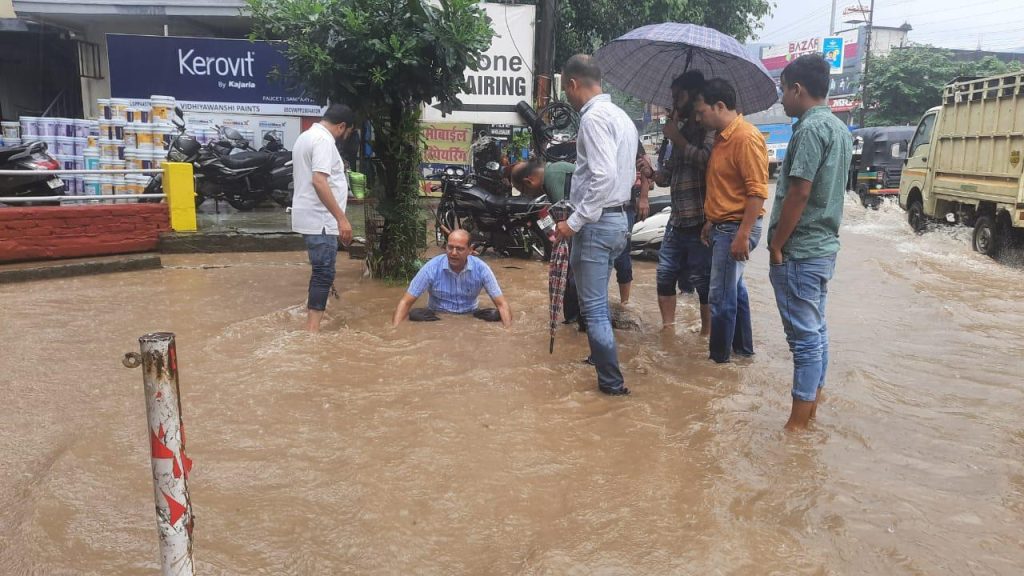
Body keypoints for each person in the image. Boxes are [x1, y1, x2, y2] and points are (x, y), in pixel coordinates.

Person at [768, 55, 853, 431]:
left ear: (797, 89)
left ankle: (797, 426)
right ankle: (811, 411)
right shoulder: (840, 129)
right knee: (816, 332)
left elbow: (799, 192)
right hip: (824, 248)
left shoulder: (807, 130)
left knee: (804, 340)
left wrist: (776, 245)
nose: (782, 99)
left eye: (783, 90)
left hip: (800, 251)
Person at [555, 54, 637, 396]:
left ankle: (612, 386)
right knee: (597, 301)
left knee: (594, 309)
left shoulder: (592, 119)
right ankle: (598, 360)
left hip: (597, 223)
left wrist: (573, 222)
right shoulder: (622, 117)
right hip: (619, 220)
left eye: (565, 91)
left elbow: (602, 176)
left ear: (573, 85)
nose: (567, 98)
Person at [695, 79, 769, 363]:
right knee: (735, 292)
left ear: (720, 106)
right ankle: (742, 351)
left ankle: (718, 363)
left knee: (719, 298)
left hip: (736, 227)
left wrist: (743, 234)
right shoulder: (722, 138)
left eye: (702, 112)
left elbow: (757, 191)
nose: (699, 119)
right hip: (724, 225)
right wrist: (711, 220)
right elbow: (728, 188)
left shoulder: (745, 138)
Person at [648, 71, 714, 335]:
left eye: (679, 96)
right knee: (664, 275)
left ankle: (705, 335)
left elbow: (707, 161)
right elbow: (668, 176)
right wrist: (651, 173)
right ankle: (668, 331)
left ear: (694, 94)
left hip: (701, 221)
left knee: (703, 284)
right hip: (676, 221)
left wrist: (678, 139)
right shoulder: (680, 129)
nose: (674, 102)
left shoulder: (708, 128)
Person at [291, 103, 356, 333]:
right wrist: (341, 218)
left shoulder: (306, 136)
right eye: (347, 133)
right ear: (341, 126)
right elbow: (319, 180)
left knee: (321, 270)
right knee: (323, 272)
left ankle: (316, 315)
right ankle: (313, 330)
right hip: (321, 219)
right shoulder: (324, 141)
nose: (344, 137)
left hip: (313, 217)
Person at [392, 229, 512, 328]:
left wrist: (508, 333)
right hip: (436, 315)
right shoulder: (431, 267)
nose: (453, 253)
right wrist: (395, 331)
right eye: (450, 247)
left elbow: (502, 304)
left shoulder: (481, 269)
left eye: (459, 249)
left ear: (470, 250)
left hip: (470, 314)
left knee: (499, 315)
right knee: (412, 314)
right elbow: (405, 302)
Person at [611, 142, 652, 307]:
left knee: (622, 253)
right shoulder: (593, 130)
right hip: (599, 203)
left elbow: (643, 166)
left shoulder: (627, 133)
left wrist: (644, 197)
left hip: (625, 204)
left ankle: (624, 303)